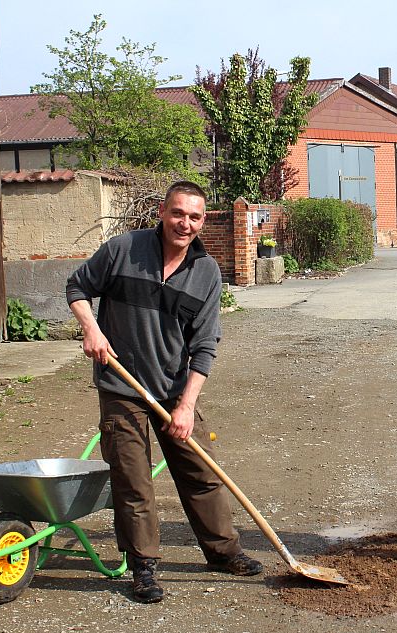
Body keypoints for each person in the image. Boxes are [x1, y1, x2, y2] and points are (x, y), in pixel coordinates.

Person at [66, 180, 262, 603]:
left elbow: (205, 345)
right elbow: (77, 288)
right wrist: (92, 328)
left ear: (203, 221)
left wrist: (187, 405)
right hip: (122, 386)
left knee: (201, 472)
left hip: (174, 390)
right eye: (178, 213)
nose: (184, 223)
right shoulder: (122, 250)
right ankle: (143, 567)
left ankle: (223, 552)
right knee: (133, 480)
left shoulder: (206, 273)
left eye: (194, 217)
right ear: (161, 211)